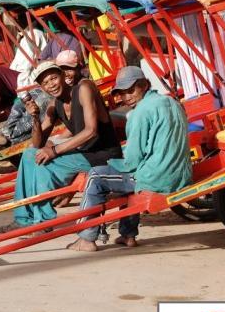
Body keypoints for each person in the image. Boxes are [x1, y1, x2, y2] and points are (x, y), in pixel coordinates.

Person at [65, 66, 192, 252]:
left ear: (145, 85)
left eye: (131, 90)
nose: (127, 97)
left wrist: (114, 163)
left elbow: (132, 160)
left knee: (96, 176)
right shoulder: (172, 102)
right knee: (123, 177)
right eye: (122, 93)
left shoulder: (139, 113)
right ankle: (128, 234)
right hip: (181, 174)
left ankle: (86, 237)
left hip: (156, 178)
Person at [0, 60, 122, 234]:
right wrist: (34, 116)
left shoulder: (83, 88)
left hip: (103, 154)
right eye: (45, 83)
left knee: (44, 163)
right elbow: (37, 143)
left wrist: (54, 151)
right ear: (42, 88)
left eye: (54, 78)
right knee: (29, 155)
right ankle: (23, 218)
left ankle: (43, 221)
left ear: (63, 76)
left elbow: (91, 131)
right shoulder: (55, 105)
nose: (51, 85)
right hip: (83, 153)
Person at [0, 50, 83, 149]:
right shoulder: (58, 78)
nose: (66, 73)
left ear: (78, 67)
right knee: (25, 99)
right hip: (54, 91)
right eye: (63, 70)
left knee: (41, 101)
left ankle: (8, 138)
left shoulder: (82, 86)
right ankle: (4, 132)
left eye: (70, 69)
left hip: (57, 95)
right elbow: (40, 60)